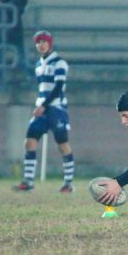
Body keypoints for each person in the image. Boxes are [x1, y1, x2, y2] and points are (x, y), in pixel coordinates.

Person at [13, 30, 75, 193]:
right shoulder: (39, 65)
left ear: (50, 43)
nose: (41, 45)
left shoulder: (59, 62)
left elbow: (58, 87)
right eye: (38, 42)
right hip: (42, 108)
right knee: (30, 141)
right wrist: (41, 105)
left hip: (56, 109)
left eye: (44, 42)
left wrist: (44, 106)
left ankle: (68, 183)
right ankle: (28, 182)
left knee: (62, 144)